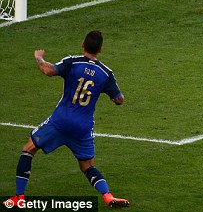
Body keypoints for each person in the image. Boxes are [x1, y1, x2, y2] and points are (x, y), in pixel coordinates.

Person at [4, 31, 129, 208]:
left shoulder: (73, 62)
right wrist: (112, 96)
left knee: (28, 149)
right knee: (87, 166)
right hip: (83, 128)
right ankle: (108, 196)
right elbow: (119, 99)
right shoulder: (106, 73)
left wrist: (39, 58)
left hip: (60, 122)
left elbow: (48, 70)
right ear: (100, 49)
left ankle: (19, 198)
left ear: (82, 45)